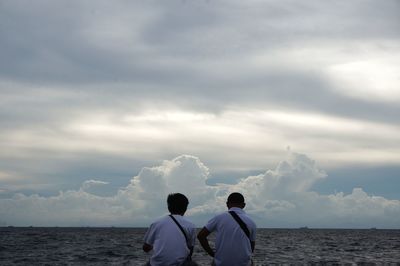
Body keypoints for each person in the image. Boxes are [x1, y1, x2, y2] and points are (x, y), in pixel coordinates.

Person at [197, 192, 256, 266]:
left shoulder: (219, 218)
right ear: (244, 205)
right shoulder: (251, 222)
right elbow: (251, 247)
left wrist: (212, 253)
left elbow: (201, 235)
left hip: (221, 263)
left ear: (227, 204)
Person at [143, 193, 197, 266]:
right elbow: (190, 249)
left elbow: (145, 248)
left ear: (169, 207)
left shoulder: (156, 223)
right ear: (185, 208)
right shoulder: (191, 225)